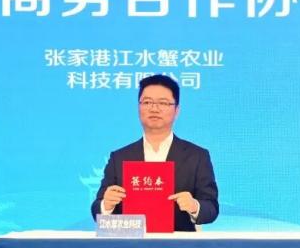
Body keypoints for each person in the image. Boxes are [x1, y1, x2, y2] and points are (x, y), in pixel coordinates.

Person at [90, 74, 219, 231]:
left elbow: (211, 208)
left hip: (179, 244)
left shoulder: (197, 156)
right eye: (147, 102)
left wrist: (194, 206)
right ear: (138, 107)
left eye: (163, 103)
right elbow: (96, 208)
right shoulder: (119, 157)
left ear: (177, 110)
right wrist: (106, 205)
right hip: (131, 242)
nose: (154, 108)